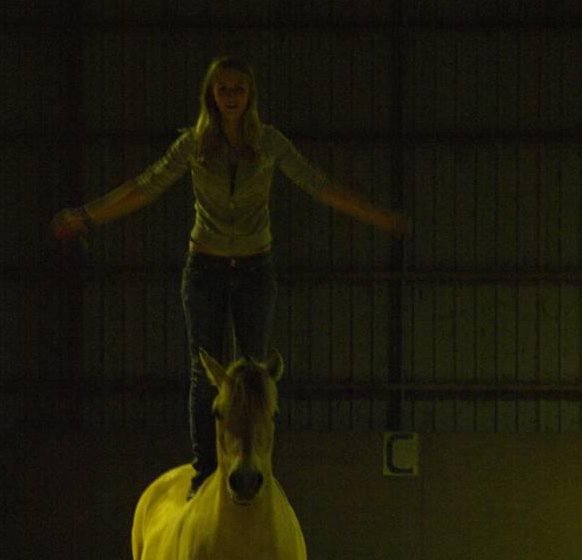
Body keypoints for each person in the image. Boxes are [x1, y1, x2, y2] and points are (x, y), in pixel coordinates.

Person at [52, 55, 408, 496]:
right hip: (205, 269)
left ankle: (258, 463)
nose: (231, 96)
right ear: (211, 95)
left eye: (238, 88)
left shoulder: (270, 143)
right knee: (206, 375)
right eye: (223, 89)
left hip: (256, 269)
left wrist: (377, 217)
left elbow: (319, 184)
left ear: (250, 95)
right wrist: (88, 215)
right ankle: (204, 472)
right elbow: (145, 185)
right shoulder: (193, 145)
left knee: (256, 376)